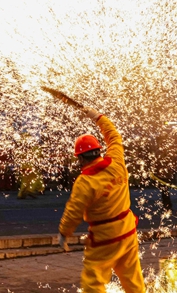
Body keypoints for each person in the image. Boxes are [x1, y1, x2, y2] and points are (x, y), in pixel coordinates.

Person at [57, 102, 145, 293]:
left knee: (93, 282)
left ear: (80, 158)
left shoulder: (85, 181)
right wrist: (97, 116)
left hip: (105, 237)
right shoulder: (116, 161)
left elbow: (73, 211)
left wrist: (64, 233)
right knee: (133, 280)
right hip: (128, 230)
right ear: (98, 150)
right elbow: (114, 135)